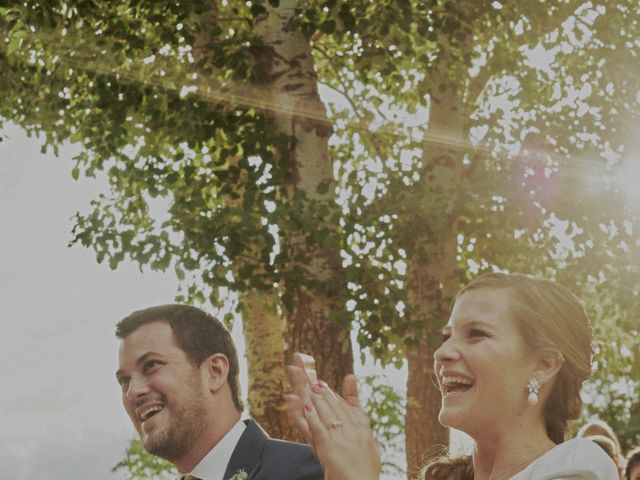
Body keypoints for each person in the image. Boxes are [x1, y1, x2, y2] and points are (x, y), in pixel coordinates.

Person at [286, 272, 619, 479]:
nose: (441, 353)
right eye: (447, 336)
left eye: (476, 334)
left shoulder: (579, 468)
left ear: (543, 365)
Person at [115, 304, 323, 480]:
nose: (132, 392)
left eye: (151, 365)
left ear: (215, 371)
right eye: (125, 380)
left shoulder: (309, 472)